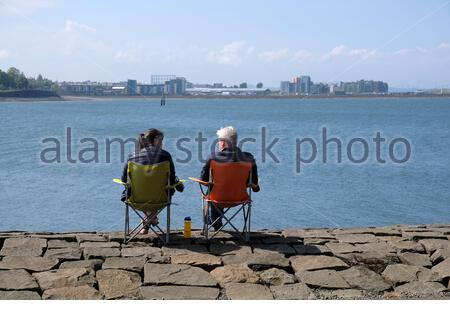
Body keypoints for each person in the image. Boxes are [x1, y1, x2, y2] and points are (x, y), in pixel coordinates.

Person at [121, 128, 184, 234]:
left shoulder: (132, 156)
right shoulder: (165, 155)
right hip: (161, 198)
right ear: (157, 140)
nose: (162, 143)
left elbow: (124, 180)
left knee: (146, 191)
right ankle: (150, 218)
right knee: (160, 190)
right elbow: (172, 180)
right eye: (162, 140)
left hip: (136, 199)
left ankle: (148, 220)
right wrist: (178, 184)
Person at [200, 126, 260, 231]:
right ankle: (216, 222)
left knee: (211, 190)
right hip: (239, 197)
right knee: (216, 189)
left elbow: (204, 181)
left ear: (223, 142)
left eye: (219, 141)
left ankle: (213, 222)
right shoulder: (249, 158)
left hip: (218, 198)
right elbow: (253, 181)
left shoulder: (213, 157)